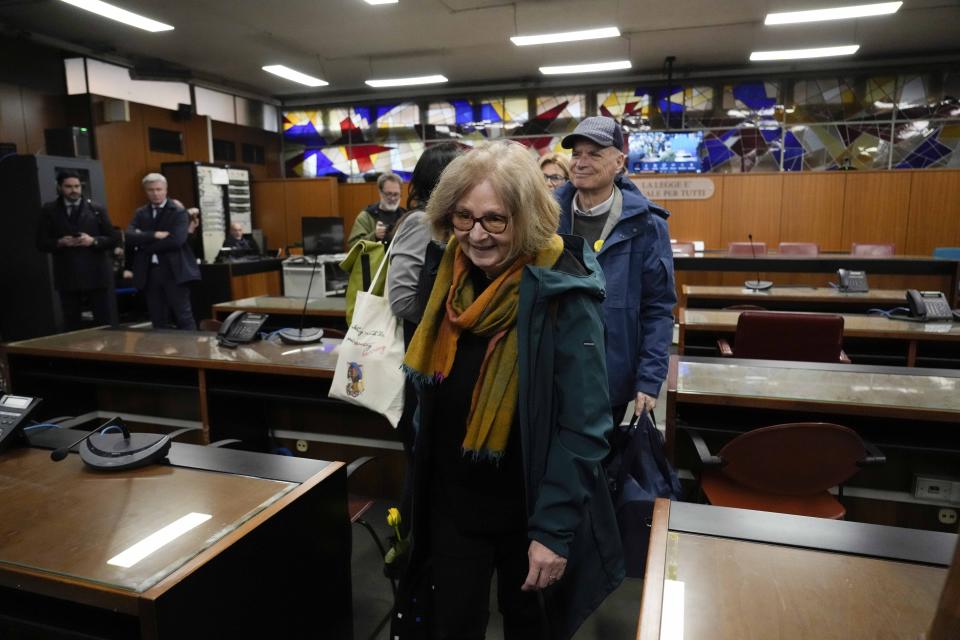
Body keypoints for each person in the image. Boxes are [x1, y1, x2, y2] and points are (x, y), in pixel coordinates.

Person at [399, 140, 624, 639]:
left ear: (525, 218)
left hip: (528, 512)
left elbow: (584, 426)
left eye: (494, 220)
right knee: (451, 625)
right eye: (463, 217)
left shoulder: (563, 291)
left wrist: (554, 531)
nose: (476, 235)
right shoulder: (448, 276)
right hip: (453, 504)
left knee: (529, 629)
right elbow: (427, 392)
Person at [555, 116, 676, 425]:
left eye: (594, 154)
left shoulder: (647, 224)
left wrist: (649, 380)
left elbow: (658, 308)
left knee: (600, 462)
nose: (581, 162)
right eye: (576, 153)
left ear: (620, 162)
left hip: (610, 376)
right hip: (551, 368)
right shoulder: (546, 216)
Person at [387, 142, 464, 341]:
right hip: (424, 345)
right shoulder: (421, 222)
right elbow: (402, 300)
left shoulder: (450, 221)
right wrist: (448, 324)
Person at [35, 170, 118, 330]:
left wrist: (93, 241)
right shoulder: (49, 210)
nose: (74, 190)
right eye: (68, 186)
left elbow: (113, 238)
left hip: (95, 273)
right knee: (71, 321)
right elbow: (40, 243)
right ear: (59, 187)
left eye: (77, 186)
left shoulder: (96, 208)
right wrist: (60, 242)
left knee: (103, 320)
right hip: (67, 273)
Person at [125, 173, 200, 330]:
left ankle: (191, 352)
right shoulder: (141, 212)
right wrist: (154, 235)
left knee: (183, 316)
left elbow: (176, 241)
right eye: (151, 190)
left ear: (166, 190)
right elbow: (130, 236)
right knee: (157, 318)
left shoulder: (178, 211)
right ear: (145, 191)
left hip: (174, 271)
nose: (155, 193)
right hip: (150, 271)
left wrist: (144, 245)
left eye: (159, 189)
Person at [347, 172, 405, 247]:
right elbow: (352, 245)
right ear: (380, 192)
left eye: (396, 194)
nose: (392, 198)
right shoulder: (366, 216)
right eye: (388, 194)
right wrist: (374, 236)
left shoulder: (405, 216)